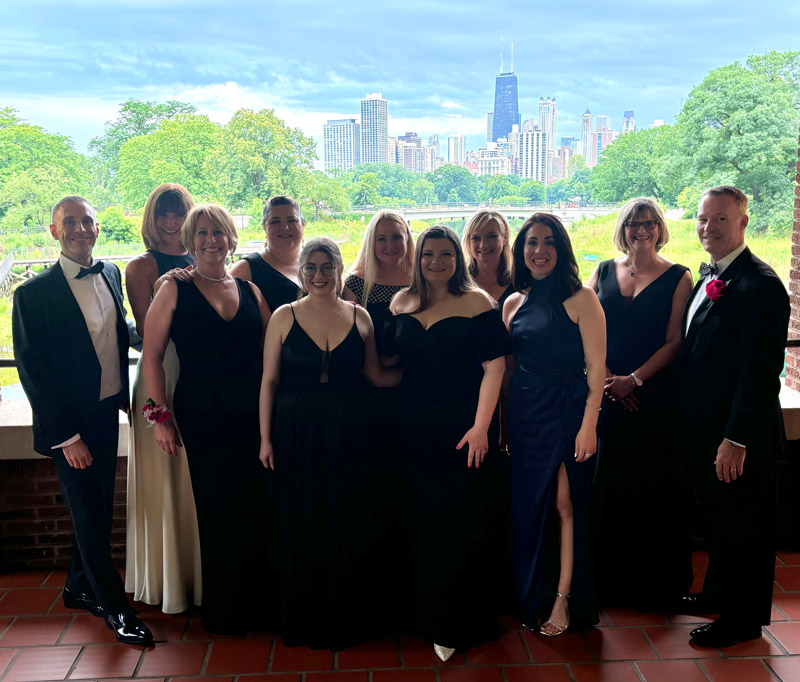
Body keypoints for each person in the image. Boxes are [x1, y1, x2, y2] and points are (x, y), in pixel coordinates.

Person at [12, 196, 153, 646]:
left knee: (97, 507)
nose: (79, 227)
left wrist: (164, 338)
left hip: (105, 411)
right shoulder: (32, 295)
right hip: (69, 426)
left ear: (97, 228)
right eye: (68, 222)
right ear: (54, 231)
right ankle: (116, 608)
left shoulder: (109, 273)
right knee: (91, 514)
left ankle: (77, 586)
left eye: (86, 220)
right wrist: (66, 436)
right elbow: (35, 373)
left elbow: (121, 332)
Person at [259, 237, 400, 650]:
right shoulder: (283, 317)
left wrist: (427, 376)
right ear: (301, 273)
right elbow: (268, 382)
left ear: (340, 272)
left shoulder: (360, 317)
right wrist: (265, 438)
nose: (319, 275)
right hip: (295, 433)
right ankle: (305, 614)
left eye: (327, 267)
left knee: (346, 516)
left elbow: (375, 375)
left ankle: (348, 613)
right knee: (303, 518)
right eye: (311, 268)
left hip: (352, 432)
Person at [143, 204, 271, 634]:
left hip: (254, 417)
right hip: (202, 416)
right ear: (189, 241)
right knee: (217, 510)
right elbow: (153, 358)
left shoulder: (251, 292)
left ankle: (260, 601)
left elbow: (274, 353)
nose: (211, 240)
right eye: (201, 233)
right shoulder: (174, 289)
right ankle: (227, 610)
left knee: (256, 507)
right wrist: (160, 417)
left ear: (232, 238)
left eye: (218, 232)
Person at [388, 225, 511, 661]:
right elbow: (388, 364)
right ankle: (420, 613)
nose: (436, 262)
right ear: (417, 260)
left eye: (445, 254)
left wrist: (482, 428)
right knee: (418, 519)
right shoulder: (400, 302)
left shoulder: (478, 302)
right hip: (408, 429)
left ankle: (454, 619)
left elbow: (494, 369)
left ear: (458, 258)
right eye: (428, 255)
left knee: (454, 522)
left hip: (460, 430)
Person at [677, 186, 789, 648]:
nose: (709, 228)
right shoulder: (713, 276)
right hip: (709, 429)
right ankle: (718, 595)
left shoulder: (760, 284)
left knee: (745, 529)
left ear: (743, 222)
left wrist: (736, 439)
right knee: (721, 522)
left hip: (741, 436)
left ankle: (742, 622)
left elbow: (761, 374)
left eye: (720, 219)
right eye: (703, 219)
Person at [587, 197, 694, 608]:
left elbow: (675, 341)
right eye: (634, 223)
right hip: (607, 393)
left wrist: (634, 380)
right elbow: (587, 330)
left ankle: (654, 586)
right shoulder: (601, 272)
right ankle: (608, 583)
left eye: (649, 223)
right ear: (623, 228)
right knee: (608, 487)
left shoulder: (678, 277)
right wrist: (611, 380)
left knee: (652, 487)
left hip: (654, 399)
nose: (641, 230)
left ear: (660, 229)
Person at [503, 213, 605, 636]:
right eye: (530, 243)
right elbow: (507, 370)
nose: (539, 251)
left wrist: (588, 425)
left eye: (547, 242)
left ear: (561, 249)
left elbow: (597, 367)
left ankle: (564, 600)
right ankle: (532, 595)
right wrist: (506, 428)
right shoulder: (512, 302)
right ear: (521, 251)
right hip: (526, 415)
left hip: (566, 412)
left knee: (565, 506)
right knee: (531, 508)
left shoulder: (582, 298)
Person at [124, 183, 202, 615]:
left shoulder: (205, 256)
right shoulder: (142, 266)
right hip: (162, 370)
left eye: (179, 214)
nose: (171, 223)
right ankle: (167, 576)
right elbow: (149, 330)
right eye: (164, 215)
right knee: (165, 473)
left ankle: (199, 569)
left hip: (198, 370)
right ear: (152, 220)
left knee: (194, 475)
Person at [343, 209, 415, 353]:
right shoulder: (355, 283)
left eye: (396, 237)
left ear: (407, 238)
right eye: (381, 239)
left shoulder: (421, 279)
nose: (390, 245)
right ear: (371, 243)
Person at [230, 194, 302, 311]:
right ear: (264, 227)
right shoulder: (246, 269)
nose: (285, 227)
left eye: (292, 220)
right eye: (275, 221)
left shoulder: (318, 262)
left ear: (303, 225)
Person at [462, 209, 515, 308]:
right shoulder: (459, 283)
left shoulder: (519, 282)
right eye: (476, 238)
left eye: (492, 236)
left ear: (505, 238)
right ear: (468, 241)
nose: (483, 245)